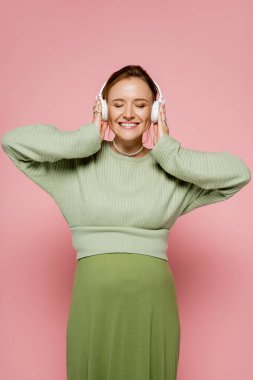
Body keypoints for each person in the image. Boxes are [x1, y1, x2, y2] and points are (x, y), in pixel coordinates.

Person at [1, 65, 251, 380]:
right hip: (93, 306)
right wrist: (87, 137)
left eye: (141, 104)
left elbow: (238, 173)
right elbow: (13, 142)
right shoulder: (72, 171)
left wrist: (168, 153)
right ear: (103, 107)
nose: (129, 113)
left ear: (156, 112)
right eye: (118, 103)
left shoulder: (171, 174)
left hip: (152, 309)